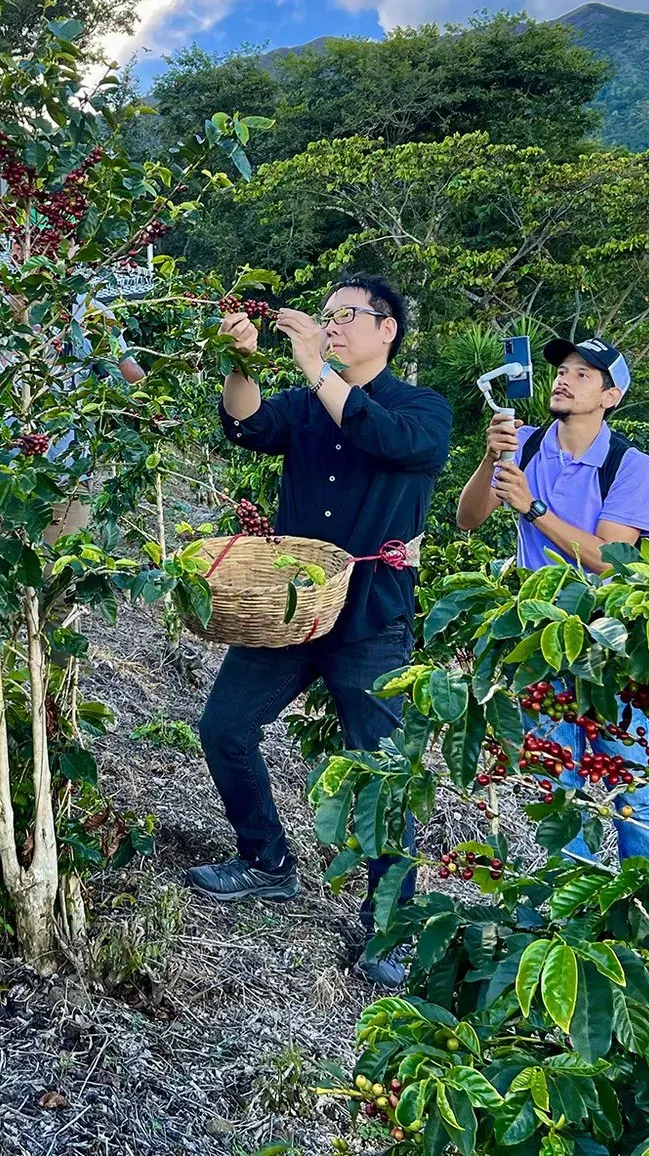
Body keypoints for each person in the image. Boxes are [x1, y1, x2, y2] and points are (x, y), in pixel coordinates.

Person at [185, 275, 451, 988]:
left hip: (371, 616)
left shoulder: (421, 408)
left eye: (346, 316)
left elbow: (388, 440)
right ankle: (266, 860)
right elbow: (247, 426)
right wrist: (240, 360)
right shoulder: (304, 405)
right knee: (224, 727)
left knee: (381, 770)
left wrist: (316, 367)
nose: (332, 326)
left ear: (387, 329)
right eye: (326, 318)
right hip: (293, 606)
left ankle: (389, 925)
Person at [453, 334, 649, 861]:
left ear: (610, 397)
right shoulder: (524, 443)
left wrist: (532, 507)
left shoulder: (630, 464)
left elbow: (611, 558)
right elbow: (468, 518)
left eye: (583, 374)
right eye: (563, 370)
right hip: (540, 635)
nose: (564, 379)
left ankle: (642, 914)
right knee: (556, 782)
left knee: (628, 782)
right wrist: (490, 458)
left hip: (607, 639)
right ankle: (568, 913)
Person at [0, 277, 145, 538]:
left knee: (56, 569)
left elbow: (132, 377)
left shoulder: (88, 307)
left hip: (65, 477)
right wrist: (3, 313)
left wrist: (108, 341)